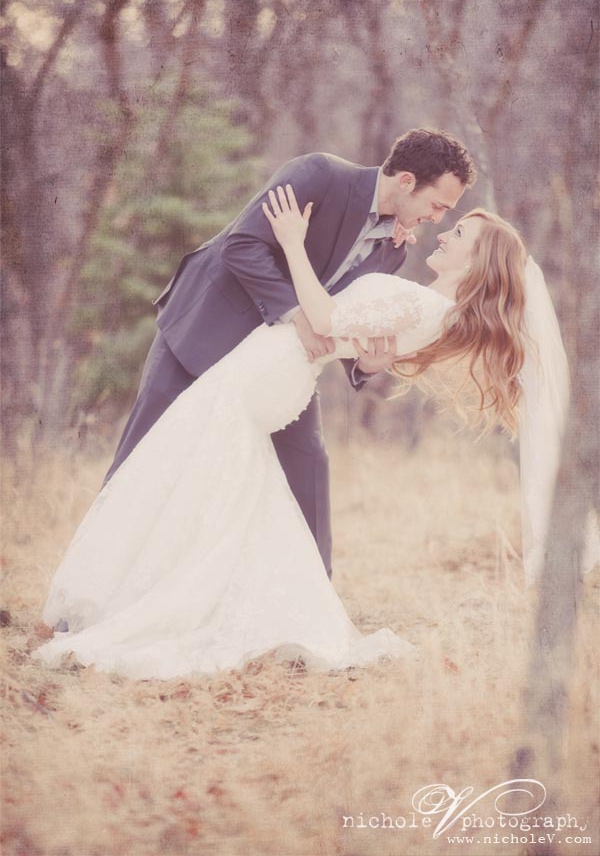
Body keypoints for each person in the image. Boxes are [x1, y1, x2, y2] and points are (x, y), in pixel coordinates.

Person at [33, 184, 568, 680]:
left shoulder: (424, 305)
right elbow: (358, 335)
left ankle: (151, 603)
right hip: (277, 376)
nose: (445, 233)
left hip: (268, 374)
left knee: (191, 478)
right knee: (216, 490)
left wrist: (292, 243)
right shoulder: (431, 308)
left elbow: (326, 319)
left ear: (477, 261)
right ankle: (168, 597)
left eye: (460, 233)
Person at [101, 128, 475, 585]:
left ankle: (315, 596)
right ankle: (95, 582)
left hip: (281, 364)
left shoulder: (392, 248)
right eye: (437, 205)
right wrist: (297, 314)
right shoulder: (320, 175)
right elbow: (242, 245)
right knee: (143, 452)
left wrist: (363, 365)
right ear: (407, 181)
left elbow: (347, 315)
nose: (436, 219)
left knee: (308, 465)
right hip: (204, 330)